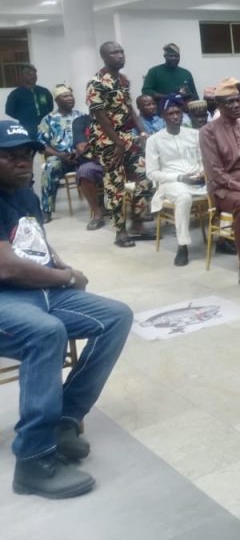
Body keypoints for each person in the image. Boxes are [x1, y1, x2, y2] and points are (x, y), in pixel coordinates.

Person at [0, 119, 133, 500]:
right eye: (10, 156)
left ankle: (65, 419)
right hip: (5, 298)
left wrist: (61, 268)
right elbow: (7, 266)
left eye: (27, 154)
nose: (23, 162)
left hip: (38, 290)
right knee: (45, 332)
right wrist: (65, 278)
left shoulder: (25, 194)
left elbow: (35, 245)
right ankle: (34, 461)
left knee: (115, 316)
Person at [86, 42, 154, 248]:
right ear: (104, 57)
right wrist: (117, 143)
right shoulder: (96, 83)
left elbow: (130, 108)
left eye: (121, 51)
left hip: (126, 137)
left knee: (145, 175)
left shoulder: (123, 81)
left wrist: (142, 131)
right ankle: (120, 231)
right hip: (108, 142)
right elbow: (100, 116)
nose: (120, 56)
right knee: (115, 185)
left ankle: (138, 223)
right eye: (114, 53)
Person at [198, 81, 240, 289]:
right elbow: (215, 172)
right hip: (224, 188)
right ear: (219, 105)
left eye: (238, 100)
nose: (236, 105)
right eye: (230, 102)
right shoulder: (208, 132)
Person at [145, 96, 207, 267]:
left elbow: (203, 159)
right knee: (184, 197)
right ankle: (183, 245)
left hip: (198, 180)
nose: (175, 116)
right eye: (170, 113)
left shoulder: (195, 134)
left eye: (178, 112)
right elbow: (151, 173)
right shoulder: (154, 140)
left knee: (225, 190)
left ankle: (226, 238)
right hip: (171, 182)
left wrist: (203, 172)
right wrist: (179, 177)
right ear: (163, 116)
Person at [36, 85, 84, 223]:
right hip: (59, 158)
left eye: (71, 95)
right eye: (65, 96)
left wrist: (79, 153)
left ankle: (100, 206)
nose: (70, 98)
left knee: (96, 164)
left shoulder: (81, 116)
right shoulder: (48, 119)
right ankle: (46, 210)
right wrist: (59, 155)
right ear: (57, 100)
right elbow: (41, 144)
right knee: (49, 167)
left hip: (81, 156)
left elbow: (91, 138)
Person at [70, 114, 105, 231]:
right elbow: (81, 147)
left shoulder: (117, 117)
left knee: (139, 165)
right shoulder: (81, 121)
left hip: (118, 160)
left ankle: (138, 215)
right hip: (95, 162)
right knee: (84, 171)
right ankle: (97, 213)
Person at [5, 63, 53, 138]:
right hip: (27, 128)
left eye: (34, 74)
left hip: (45, 127)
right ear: (22, 76)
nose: (32, 76)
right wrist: (24, 117)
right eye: (29, 74)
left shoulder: (44, 91)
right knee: (29, 148)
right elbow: (9, 111)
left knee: (46, 147)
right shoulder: (15, 94)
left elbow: (50, 107)